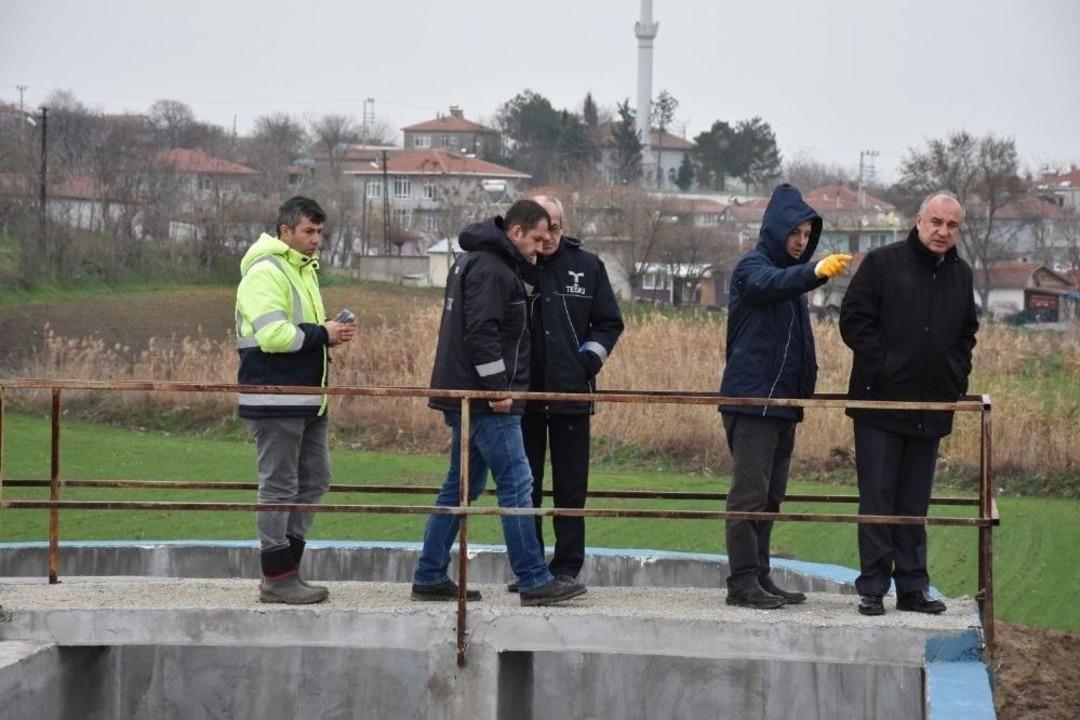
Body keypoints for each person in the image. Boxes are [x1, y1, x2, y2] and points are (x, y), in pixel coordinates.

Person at [412, 199, 587, 607]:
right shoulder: (493, 269)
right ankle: (533, 578)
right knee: (517, 484)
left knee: (460, 487)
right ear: (516, 232)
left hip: (465, 394)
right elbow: (482, 334)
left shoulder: (476, 261)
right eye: (538, 238)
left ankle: (429, 572)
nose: (542, 246)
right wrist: (497, 389)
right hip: (488, 400)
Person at [840, 191, 978, 617]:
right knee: (878, 498)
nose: (943, 232)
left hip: (931, 406)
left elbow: (965, 335)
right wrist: (883, 368)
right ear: (919, 221)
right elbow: (854, 321)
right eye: (936, 222)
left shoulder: (962, 275)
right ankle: (873, 588)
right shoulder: (882, 264)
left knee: (914, 502)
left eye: (952, 225)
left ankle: (914, 589)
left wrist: (953, 378)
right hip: (878, 404)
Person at [719, 184, 852, 609]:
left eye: (806, 234)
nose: (800, 241)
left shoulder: (789, 282)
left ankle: (759, 575)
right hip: (753, 402)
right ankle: (741, 582)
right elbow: (770, 284)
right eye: (795, 233)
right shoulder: (752, 269)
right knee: (749, 495)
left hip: (782, 406)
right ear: (777, 231)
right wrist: (813, 272)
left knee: (771, 497)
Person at [235, 196, 356, 604]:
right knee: (279, 485)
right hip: (276, 397)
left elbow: (301, 332)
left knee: (315, 479)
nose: (316, 239)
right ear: (285, 232)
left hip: (306, 398)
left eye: (320, 232)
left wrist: (328, 333)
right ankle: (277, 576)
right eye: (309, 231)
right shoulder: (266, 271)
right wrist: (324, 333)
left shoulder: (300, 269)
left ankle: (288, 570)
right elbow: (273, 336)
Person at [508, 195, 624, 592]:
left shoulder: (588, 267)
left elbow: (609, 322)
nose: (551, 237)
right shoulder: (517, 264)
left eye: (557, 227)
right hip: (524, 399)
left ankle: (567, 568)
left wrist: (587, 362)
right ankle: (531, 569)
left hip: (571, 396)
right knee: (526, 487)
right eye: (545, 229)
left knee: (571, 488)